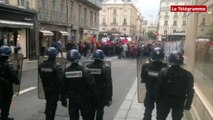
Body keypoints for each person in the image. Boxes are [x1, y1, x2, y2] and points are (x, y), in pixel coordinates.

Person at [154, 51, 194, 120]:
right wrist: (188, 105)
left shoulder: (164, 72)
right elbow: (190, 92)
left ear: (170, 60)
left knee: (161, 118)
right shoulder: (188, 75)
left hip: (165, 99)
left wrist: (157, 100)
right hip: (179, 101)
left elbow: (158, 87)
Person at [60, 49, 98, 120]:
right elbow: (92, 86)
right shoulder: (84, 70)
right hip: (84, 99)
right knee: (87, 117)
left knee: (73, 117)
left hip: (72, 100)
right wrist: (95, 99)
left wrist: (63, 99)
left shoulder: (65, 71)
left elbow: (63, 87)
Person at [140, 47, 167, 120]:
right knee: (160, 113)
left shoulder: (146, 66)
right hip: (161, 93)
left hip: (150, 92)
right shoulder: (166, 68)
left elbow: (143, 78)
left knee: (148, 111)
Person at [86, 49, 113, 120]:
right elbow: (109, 83)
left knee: (91, 111)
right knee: (100, 111)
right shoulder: (106, 67)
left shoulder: (87, 67)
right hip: (101, 93)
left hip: (90, 92)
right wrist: (109, 97)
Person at [38, 47, 63, 120]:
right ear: (54, 56)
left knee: (48, 102)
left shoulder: (41, 65)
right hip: (54, 89)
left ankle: (47, 114)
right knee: (52, 106)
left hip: (45, 88)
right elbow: (61, 79)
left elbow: (41, 75)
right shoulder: (57, 66)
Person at [0, 45, 20, 120]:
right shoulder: (9, 64)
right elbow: (14, 78)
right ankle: (4, 117)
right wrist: (17, 75)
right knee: (6, 104)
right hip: (7, 88)